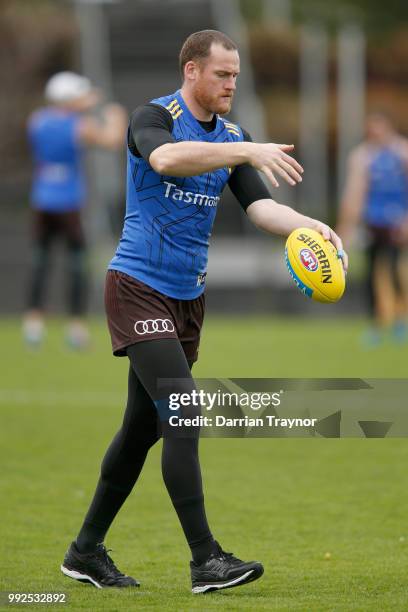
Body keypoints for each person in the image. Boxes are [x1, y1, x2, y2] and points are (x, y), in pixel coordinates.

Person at [60, 30, 347, 593]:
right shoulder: (155, 116)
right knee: (185, 411)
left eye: (236, 75)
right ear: (191, 70)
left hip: (188, 297)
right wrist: (246, 150)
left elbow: (262, 209)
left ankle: (85, 551)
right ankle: (205, 560)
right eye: (222, 74)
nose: (231, 84)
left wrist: (313, 226)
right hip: (137, 284)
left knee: (140, 430)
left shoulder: (234, 137)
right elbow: (165, 158)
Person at [23, 71, 127, 349]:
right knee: (78, 265)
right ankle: (76, 328)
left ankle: (33, 324)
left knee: (40, 262)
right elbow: (112, 140)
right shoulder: (79, 125)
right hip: (68, 203)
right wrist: (114, 114)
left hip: (41, 200)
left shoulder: (37, 121)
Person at [337, 111, 408, 345]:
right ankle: (376, 323)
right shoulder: (363, 156)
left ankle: (400, 321)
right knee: (371, 275)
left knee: (398, 273)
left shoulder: (402, 152)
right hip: (373, 224)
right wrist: (345, 227)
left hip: (398, 222)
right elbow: (355, 193)